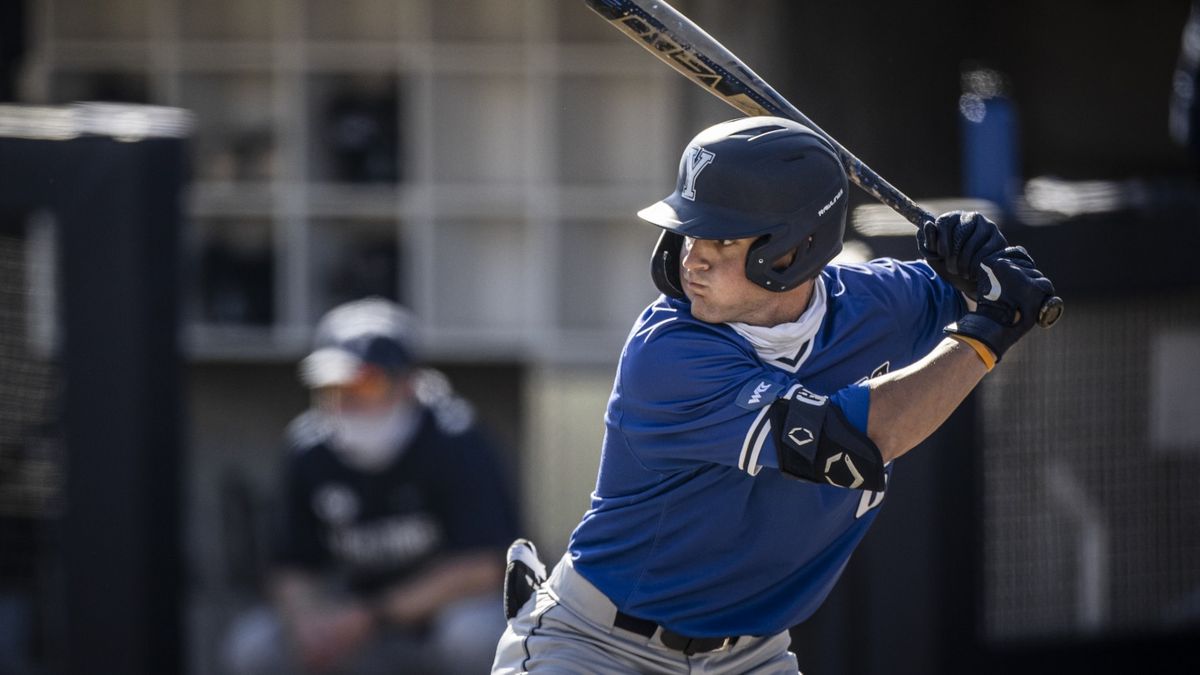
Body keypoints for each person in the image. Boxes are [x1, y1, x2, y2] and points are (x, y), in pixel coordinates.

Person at [492, 116, 1056, 674]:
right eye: (689, 232)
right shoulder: (667, 354)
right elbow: (853, 440)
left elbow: (996, 292)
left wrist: (982, 258)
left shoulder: (879, 302)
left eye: (722, 238)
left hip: (751, 657)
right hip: (597, 646)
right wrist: (985, 337)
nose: (693, 258)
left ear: (794, 249)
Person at [226, 298, 519, 675]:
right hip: (358, 629)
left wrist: (373, 614)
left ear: (407, 384)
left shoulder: (455, 441)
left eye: (366, 385)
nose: (347, 402)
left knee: (471, 636)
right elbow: (291, 565)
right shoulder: (309, 451)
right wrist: (307, 621)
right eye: (333, 387)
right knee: (256, 646)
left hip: (433, 625)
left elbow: (484, 568)